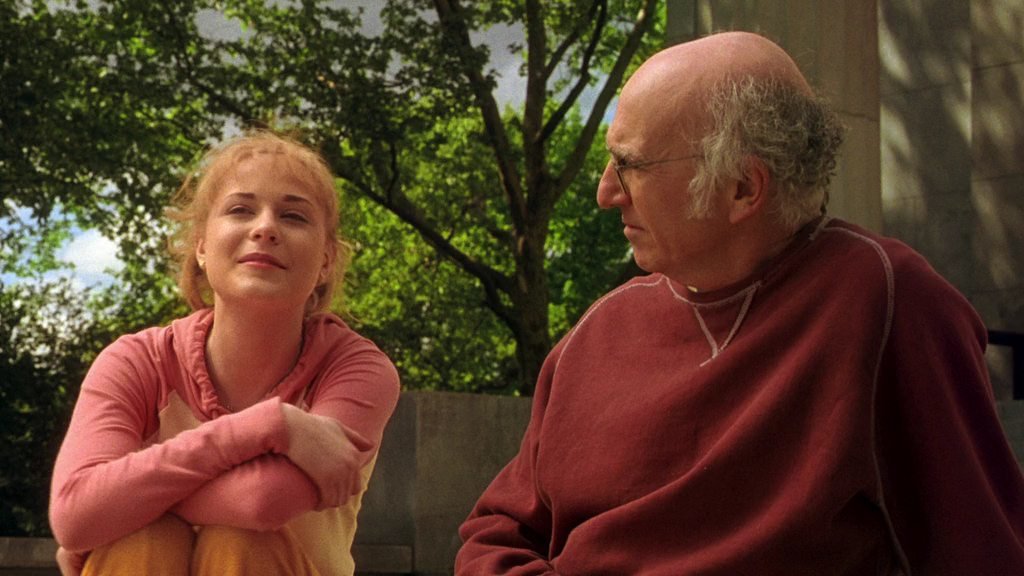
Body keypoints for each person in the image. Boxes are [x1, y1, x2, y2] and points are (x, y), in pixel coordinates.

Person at [456, 31, 1024, 575]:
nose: (605, 192)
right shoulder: (597, 331)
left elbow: (983, 554)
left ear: (743, 188)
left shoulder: (886, 300)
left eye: (630, 165)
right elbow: (498, 531)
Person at [49, 131, 401, 576]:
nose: (265, 228)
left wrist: (116, 506)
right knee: (145, 540)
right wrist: (272, 425)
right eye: (240, 210)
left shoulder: (356, 369)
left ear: (326, 261)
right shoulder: (135, 362)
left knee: (241, 539)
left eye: (293, 216)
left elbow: (263, 502)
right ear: (200, 246)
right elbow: (74, 514)